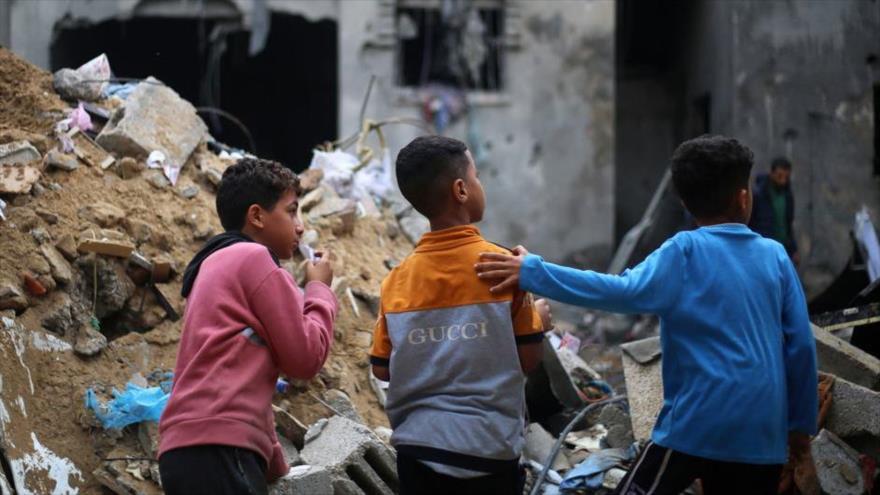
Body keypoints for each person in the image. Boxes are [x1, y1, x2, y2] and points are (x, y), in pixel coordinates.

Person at [476, 135, 819, 495]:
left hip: (695, 427)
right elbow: (800, 349)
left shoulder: (683, 252)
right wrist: (799, 438)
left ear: (685, 202)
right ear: (744, 197)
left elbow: (617, 291)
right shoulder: (776, 256)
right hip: (760, 437)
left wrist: (532, 271)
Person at [370, 135, 545, 495]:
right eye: (478, 176)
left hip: (418, 452)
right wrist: (539, 319)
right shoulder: (503, 267)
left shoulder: (397, 281)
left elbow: (382, 369)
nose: (481, 185)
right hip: (489, 449)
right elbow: (529, 358)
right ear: (462, 189)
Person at [158, 158, 337, 495]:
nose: (300, 227)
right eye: (292, 211)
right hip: (221, 449)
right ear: (256, 216)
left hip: (183, 450)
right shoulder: (255, 260)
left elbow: (235, 370)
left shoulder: (212, 267)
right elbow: (305, 358)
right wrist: (320, 290)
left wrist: (272, 461)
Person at [750, 157, 799, 265]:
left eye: (786, 177)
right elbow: (751, 222)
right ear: (771, 173)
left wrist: (794, 249)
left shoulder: (787, 195)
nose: (783, 181)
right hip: (763, 248)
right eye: (779, 176)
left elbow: (788, 224)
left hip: (783, 248)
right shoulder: (758, 194)